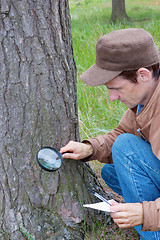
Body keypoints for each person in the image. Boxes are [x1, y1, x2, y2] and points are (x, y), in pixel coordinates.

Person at [60, 28, 160, 240]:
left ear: (143, 74)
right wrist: (90, 148)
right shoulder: (147, 95)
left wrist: (145, 213)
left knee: (126, 149)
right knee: (111, 173)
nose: (112, 97)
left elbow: (125, 145)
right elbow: (124, 131)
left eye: (116, 88)